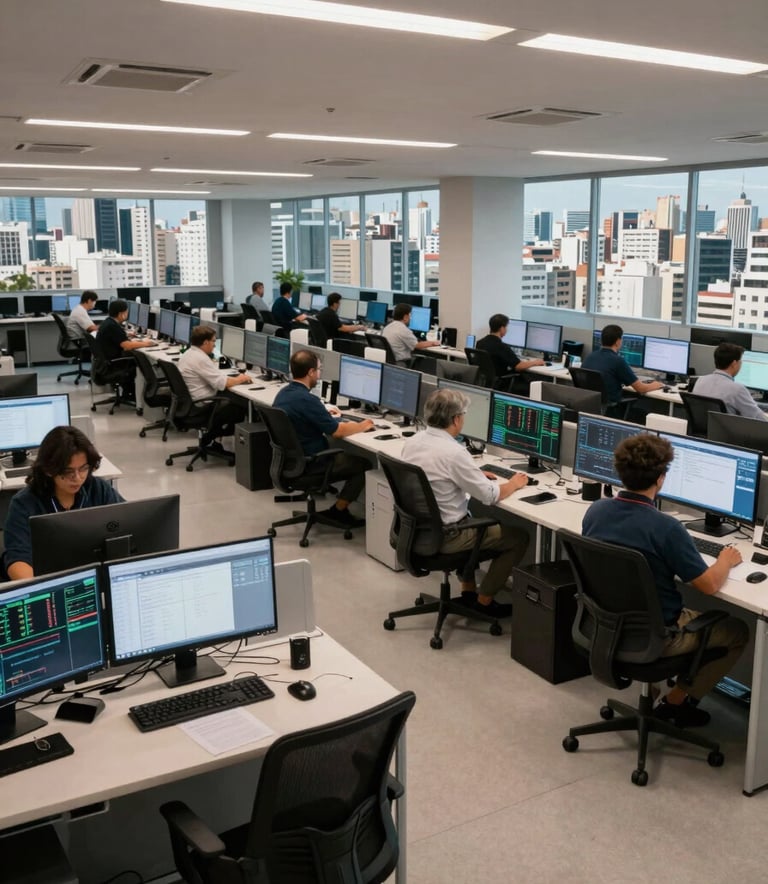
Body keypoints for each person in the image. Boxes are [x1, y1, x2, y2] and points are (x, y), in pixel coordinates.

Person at [582, 433, 748, 727]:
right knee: (737, 630)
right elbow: (708, 586)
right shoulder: (667, 528)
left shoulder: (596, 511)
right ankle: (676, 701)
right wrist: (725, 560)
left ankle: (659, 692)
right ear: (661, 478)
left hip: (606, 625)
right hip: (660, 636)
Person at [402, 388, 530, 617]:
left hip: (417, 532)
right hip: (448, 536)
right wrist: (514, 484)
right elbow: (490, 496)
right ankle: (484, 601)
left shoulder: (413, 442)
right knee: (518, 537)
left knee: (468, 518)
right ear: (456, 419)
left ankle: (468, 589)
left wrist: (475, 475)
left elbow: (440, 479)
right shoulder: (454, 452)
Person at [2, 426, 124, 581]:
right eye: (68, 472)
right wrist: (42, 588)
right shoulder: (25, 504)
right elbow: (17, 560)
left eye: (83, 468)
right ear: (48, 469)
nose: (78, 477)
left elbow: (131, 525)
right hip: (50, 583)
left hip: (95, 578)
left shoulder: (98, 489)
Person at [273, 349, 374, 527]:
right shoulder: (307, 400)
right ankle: (339, 511)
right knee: (363, 464)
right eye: (319, 370)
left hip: (290, 462)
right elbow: (338, 432)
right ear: (310, 372)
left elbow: (304, 417)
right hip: (312, 463)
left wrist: (323, 414)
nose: (320, 375)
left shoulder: (283, 394)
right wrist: (363, 425)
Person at [178, 325, 250, 450]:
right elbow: (223, 383)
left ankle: (213, 437)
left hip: (191, 402)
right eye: (213, 341)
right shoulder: (200, 358)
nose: (214, 345)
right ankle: (213, 435)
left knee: (235, 397)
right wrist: (241, 378)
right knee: (244, 404)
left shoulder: (189, 353)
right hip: (203, 404)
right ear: (205, 342)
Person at [583, 324, 663, 416]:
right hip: (611, 410)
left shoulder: (590, 357)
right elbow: (641, 389)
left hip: (590, 407)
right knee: (644, 413)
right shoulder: (618, 361)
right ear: (618, 342)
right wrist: (657, 384)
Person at [94, 298, 155, 402]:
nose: (127, 314)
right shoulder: (113, 327)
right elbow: (127, 346)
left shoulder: (108, 322)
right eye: (126, 312)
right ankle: (137, 397)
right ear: (121, 314)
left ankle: (129, 393)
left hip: (105, 363)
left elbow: (116, 338)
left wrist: (126, 335)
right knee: (141, 362)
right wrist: (147, 343)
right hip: (113, 365)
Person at [692, 342, 767, 421]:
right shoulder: (737, 389)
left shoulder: (700, 380)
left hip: (705, 431)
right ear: (734, 364)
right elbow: (759, 418)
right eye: (740, 361)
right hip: (726, 432)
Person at [476, 313, 546, 377]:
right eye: (506, 327)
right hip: (503, 381)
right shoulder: (501, 346)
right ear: (502, 329)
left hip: (486, 381)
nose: (507, 329)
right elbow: (518, 366)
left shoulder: (480, 343)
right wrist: (535, 362)